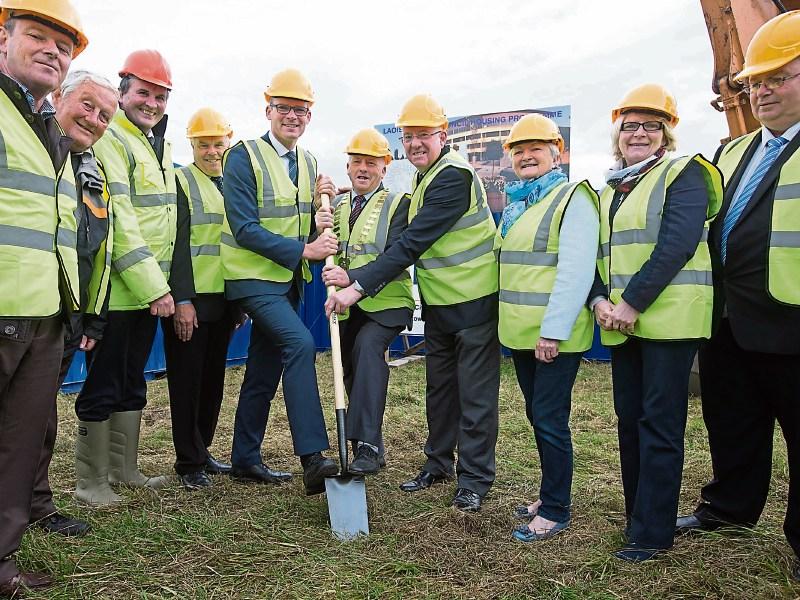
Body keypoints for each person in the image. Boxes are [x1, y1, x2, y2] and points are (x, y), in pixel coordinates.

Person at [324, 94, 500, 512]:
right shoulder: (427, 177)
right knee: (440, 391)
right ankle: (437, 465)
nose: (416, 143)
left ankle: (474, 480)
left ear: (443, 135)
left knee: (474, 397)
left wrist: (356, 287)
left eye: (424, 134)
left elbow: (411, 243)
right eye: (409, 136)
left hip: (474, 300)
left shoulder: (453, 177)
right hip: (441, 303)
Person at [675, 11, 800, 582]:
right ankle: (729, 507)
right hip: (728, 316)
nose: (763, 91)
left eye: (779, 77)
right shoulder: (733, 152)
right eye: (756, 81)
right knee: (732, 422)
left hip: (791, 322)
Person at [589, 84, 722, 561]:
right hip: (622, 323)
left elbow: (677, 244)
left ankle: (653, 533)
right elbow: (599, 254)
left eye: (651, 125)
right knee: (629, 421)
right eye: (630, 126)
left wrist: (631, 302)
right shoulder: (613, 189)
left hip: (668, 322)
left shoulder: (684, 173)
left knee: (660, 425)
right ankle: (637, 518)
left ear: (666, 133)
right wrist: (598, 299)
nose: (639, 133)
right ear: (618, 134)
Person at [0, 0, 85, 595]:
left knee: (19, 443)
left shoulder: (46, 126)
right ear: (4, 39)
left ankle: (2, 560)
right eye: (38, 36)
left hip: (46, 310)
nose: (53, 51)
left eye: (65, 46)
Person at [221, 68, 339, 495]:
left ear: (309, 116)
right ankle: (313, 458)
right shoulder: (242, 157)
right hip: (251, 278)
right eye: (284, 108)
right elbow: (244, 228)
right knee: (300, 344)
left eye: (300, 110)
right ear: (267, 110)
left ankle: (245, 459)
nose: (292, 116)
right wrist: (306, 250)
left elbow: (301, 224)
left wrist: (323, 213)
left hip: (287, 282)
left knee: (264, 367)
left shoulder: (309, 163)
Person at [76, 49, 177, 490]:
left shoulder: (157, 144)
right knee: (103, 382)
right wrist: (156, 287)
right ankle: (91, 482)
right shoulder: (112, 139)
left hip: (146, 292)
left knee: (133, 380)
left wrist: (158, 287)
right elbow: (121, 222)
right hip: (116, 291)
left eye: (160, 96)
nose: (151, 103)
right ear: (123, 94)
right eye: (143, 93)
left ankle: (124, 471)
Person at [495, 114, 599, 541]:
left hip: (551, 337)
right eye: (519, 151)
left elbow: (576, 271)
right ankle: (548, 494)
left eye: (536, 149)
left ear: (558, 154)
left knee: (551, 420)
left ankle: (556, 509)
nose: (526, 156)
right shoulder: (520, 204)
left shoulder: (572, 197)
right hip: (523, 334)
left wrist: (553, 331)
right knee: (538, 417)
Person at [28, 70, 120, 540]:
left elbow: (98, 251)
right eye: (87, 105)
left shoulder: (93, 173)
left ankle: (34, 504)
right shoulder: (33, 151)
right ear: (60, 96)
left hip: (65, 315)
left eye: (104, 115)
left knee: (41, 416)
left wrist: (92, 318)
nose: (94, 119)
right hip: (22, 306)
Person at [317, 129, 413, 475]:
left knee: (368, 349)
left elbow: (395, 256)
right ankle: (368, 446)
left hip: (387, 301)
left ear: (384, 168)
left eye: (371, 163)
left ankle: (367, 446)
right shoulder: (337, 206)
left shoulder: (399, 204)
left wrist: (352, 278)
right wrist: (318, 222)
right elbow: (323, 249)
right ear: (347, 166)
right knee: (351, 369)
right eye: (357, 161)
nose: (363, 168)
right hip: (345, 307)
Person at [164, 107, 239, 490]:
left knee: (212, 381)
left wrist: (238, 302)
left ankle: (203, 449)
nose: (212, 151)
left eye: (217, 144)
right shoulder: (180, 181)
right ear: (192, 145)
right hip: (191, 302)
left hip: (223, 301)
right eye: (203, 145)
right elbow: (175, 245)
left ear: (229, 142)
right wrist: (182, 299)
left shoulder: (232, 183)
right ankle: (188, 461)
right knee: (187, 382)